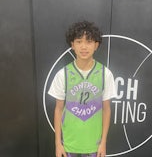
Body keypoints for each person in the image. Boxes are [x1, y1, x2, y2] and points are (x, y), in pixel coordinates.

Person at [48, 21, 116, 157]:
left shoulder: (105, 74)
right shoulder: (63, 74)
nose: (84, 47)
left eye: (89, 42)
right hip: (68, 144)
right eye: (79, 42)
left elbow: (106, 109)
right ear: (72, 45)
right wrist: (58, 144)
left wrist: (103, 143)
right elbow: (58, 109)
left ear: (96, 45)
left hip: (94, 146)